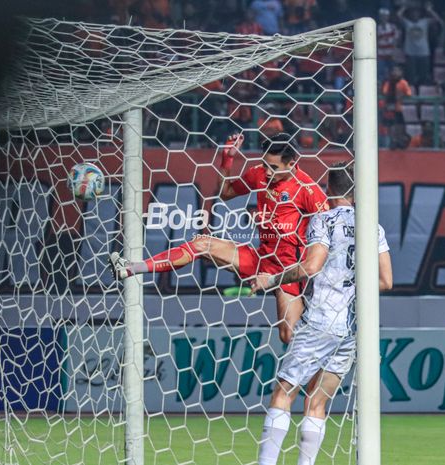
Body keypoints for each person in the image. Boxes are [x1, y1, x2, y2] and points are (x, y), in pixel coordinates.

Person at [110, 133, 328, 344]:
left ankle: (322, 355)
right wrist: (227, 158)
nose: (268, 172)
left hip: (287, 270)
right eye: (265, 165)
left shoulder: (308, 190)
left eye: (274, 167)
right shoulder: (259, 173)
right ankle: (130, 268)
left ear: (292, 164)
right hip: (261, 258)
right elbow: (225, 192)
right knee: (201, 244)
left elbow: (329, 231)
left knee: (289, 336)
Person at [251, 162, 392, 465]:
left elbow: (312, 266)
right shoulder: (374, 226)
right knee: (317, 402)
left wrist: (271, 279)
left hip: (320, 319)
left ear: (328, 190)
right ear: (356, 193)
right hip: (353, 326)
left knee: (283, 392)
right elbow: (386, 281)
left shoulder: (324, 220)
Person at [397, 2, 443, 86]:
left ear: (419, 14)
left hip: (424, 53)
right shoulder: (407, 23)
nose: (415, 14)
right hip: (410, 53)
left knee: (424, 76)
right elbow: (398, 16)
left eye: (417, 13)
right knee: (410, 77)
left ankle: (423, 96)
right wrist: (404, 7)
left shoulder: (424, 22)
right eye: (413, 13)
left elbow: (437, 20)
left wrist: (430, 10)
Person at [380, 66, 413, 148]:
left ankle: (400, 140)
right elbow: (385, 92)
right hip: (389, 107)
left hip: (398, 108)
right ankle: (392, 141)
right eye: (394, 72)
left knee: (400, 125)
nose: (395, 73)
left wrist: (401, 93)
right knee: (390, 125)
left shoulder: (403, 82)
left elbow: (409, 93)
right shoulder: (388, 82)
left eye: (397, 71)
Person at [377, 7, 401, 83]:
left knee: (393, 73)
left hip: (391, 55)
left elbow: (396, 40)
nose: (384, 17)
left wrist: (394, 52)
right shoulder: (377, 28)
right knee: (380, 73)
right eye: (382, 16)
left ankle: (393, 89)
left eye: (385, 16)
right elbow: (375, 41)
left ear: (388, 17)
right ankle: (381, 89)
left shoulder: (393, 27)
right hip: (381, 55)